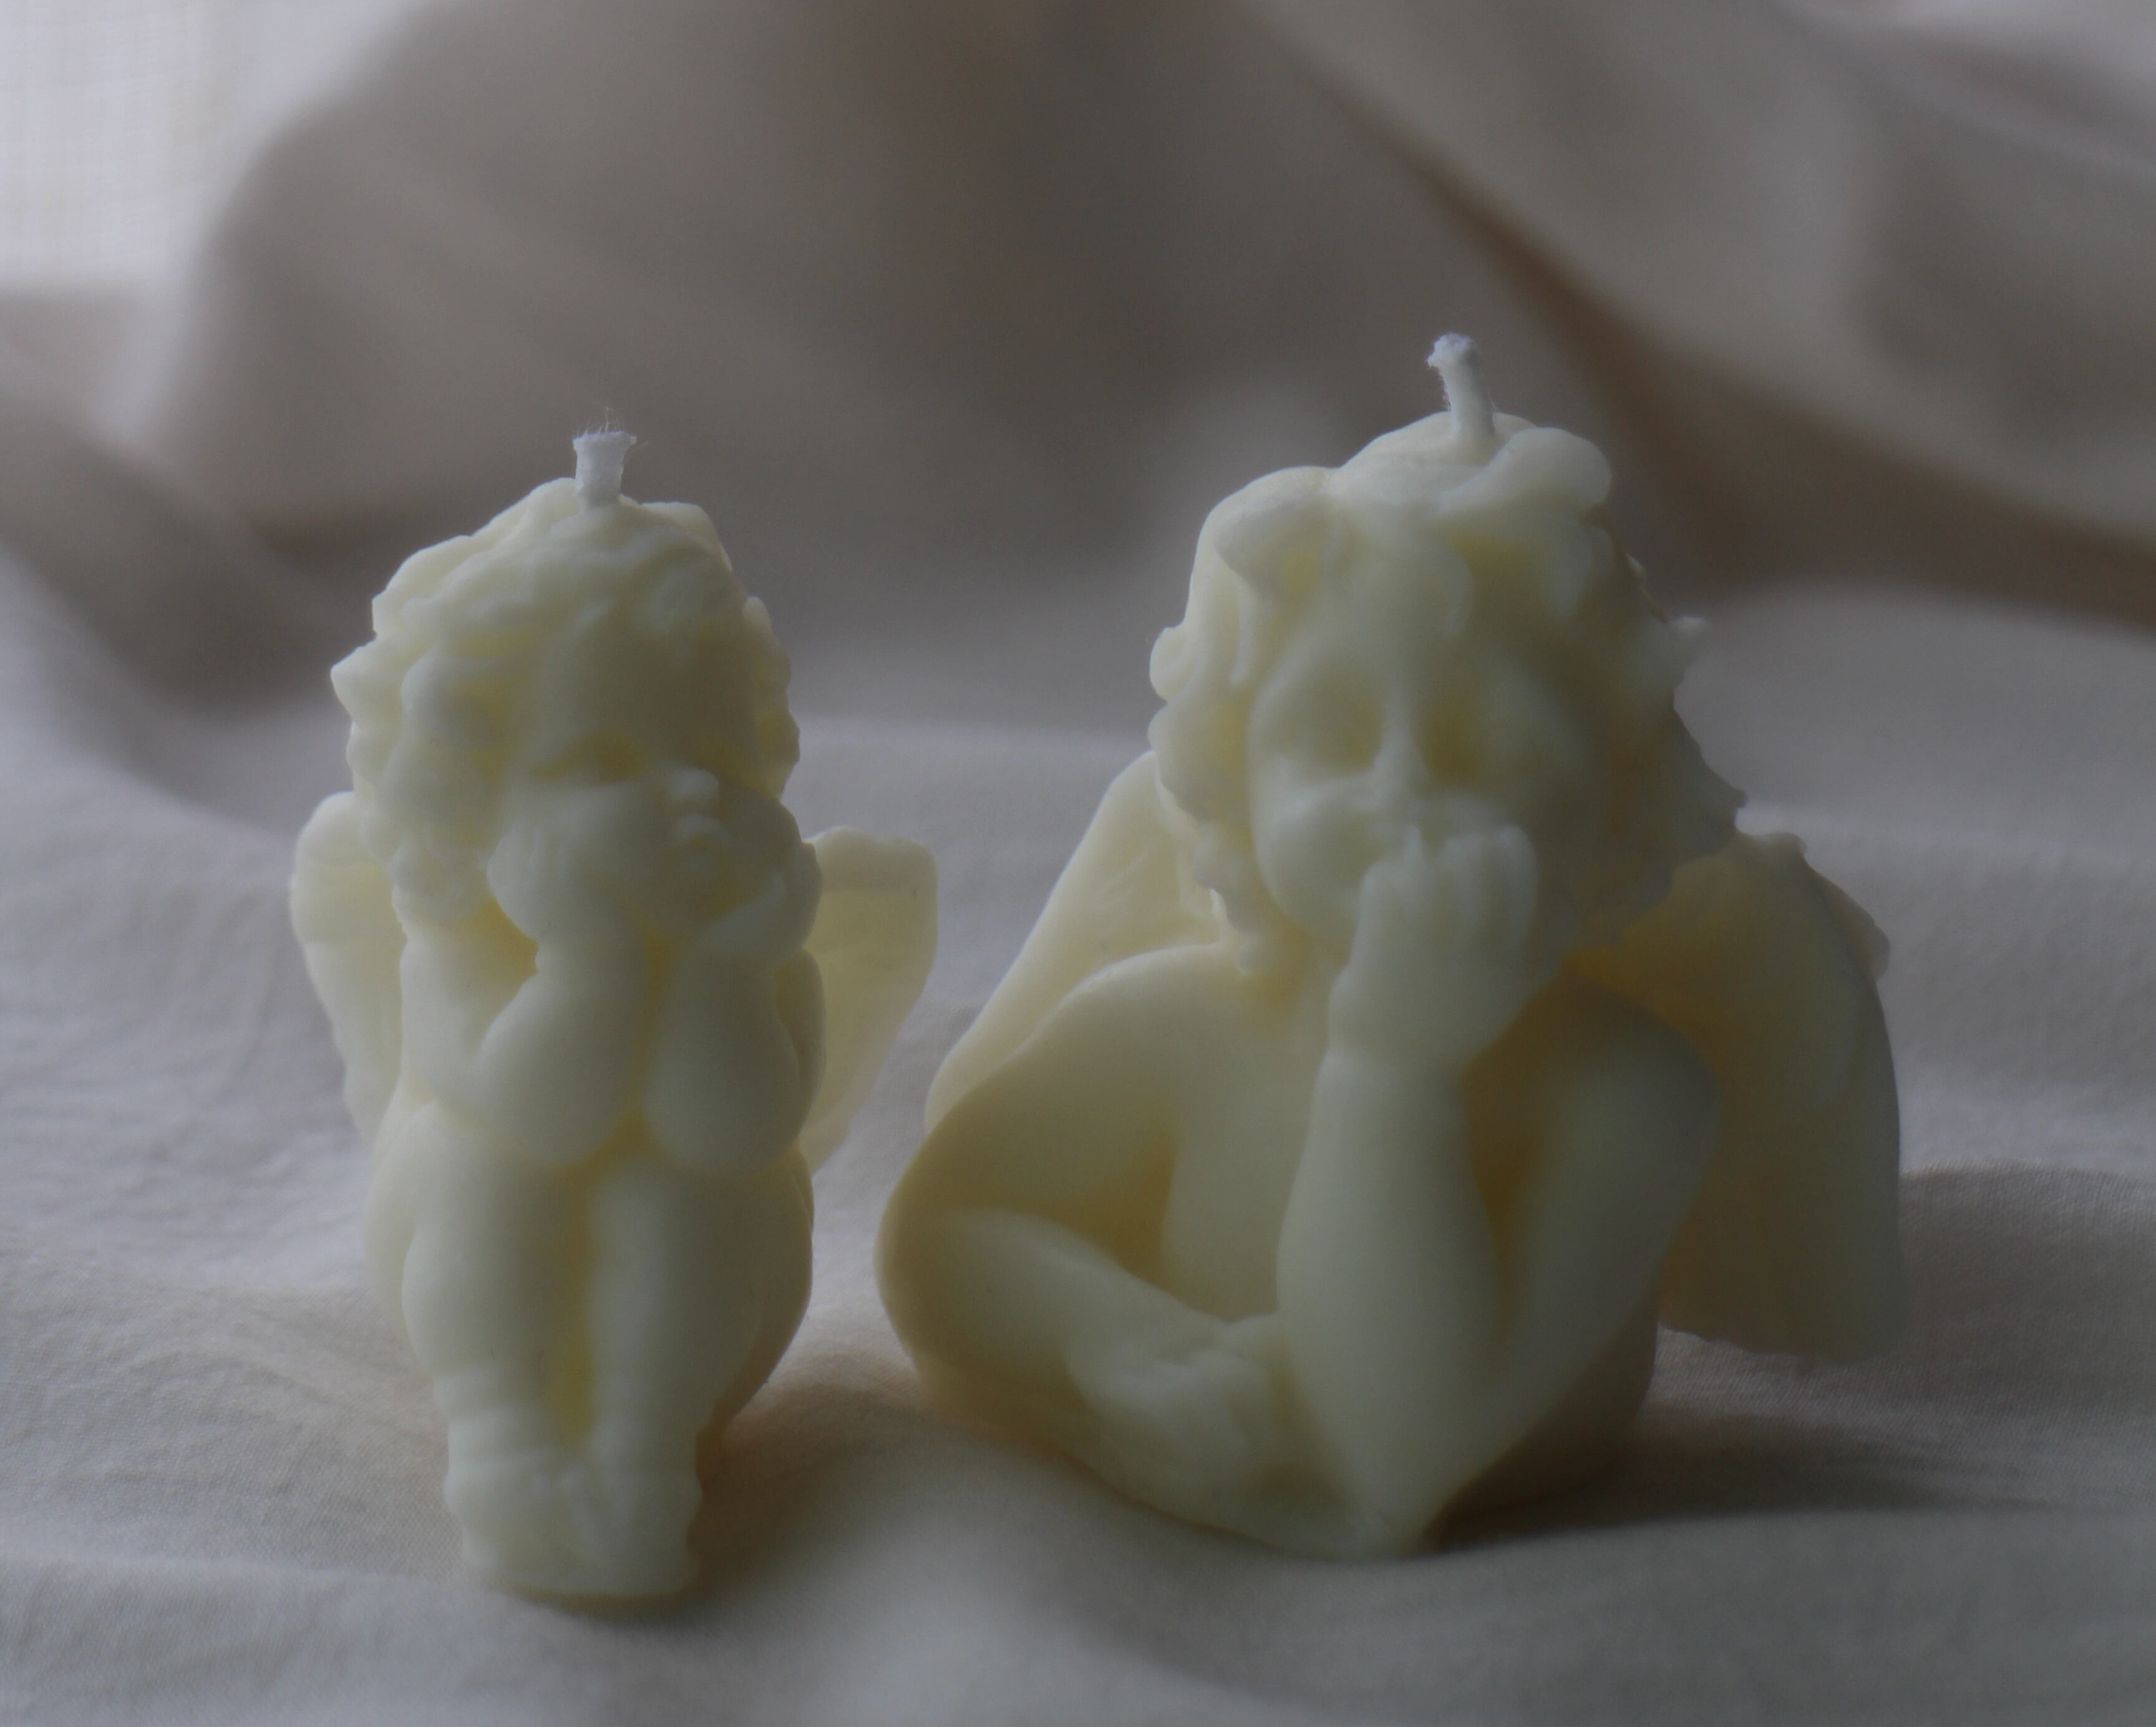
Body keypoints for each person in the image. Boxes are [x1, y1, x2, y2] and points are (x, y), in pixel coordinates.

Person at [878, 344, 1899, 1557]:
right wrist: (1113, 1340)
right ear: (1234, 780)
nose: (1402, 790)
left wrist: (1394, 1067)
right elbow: (943, 1236)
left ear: (1616, 810)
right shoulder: (1170, 1024)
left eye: (1498, 747)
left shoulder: (1629, 1096)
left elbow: (1393, 1451)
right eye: (1331, 729)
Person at [294, 442, 933, 1597]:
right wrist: (588, 960)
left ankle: (646, 1444)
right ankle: (502, 1430)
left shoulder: (765, 959)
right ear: (469, 805)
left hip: (708, 1312)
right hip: (479, 1247)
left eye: (718, 760)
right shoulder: (459, 949)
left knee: (701, 1195)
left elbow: (729, 1130)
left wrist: (724, 968)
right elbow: (539, 1113)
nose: (684, 795)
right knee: (480, 1168)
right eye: (600, 762)